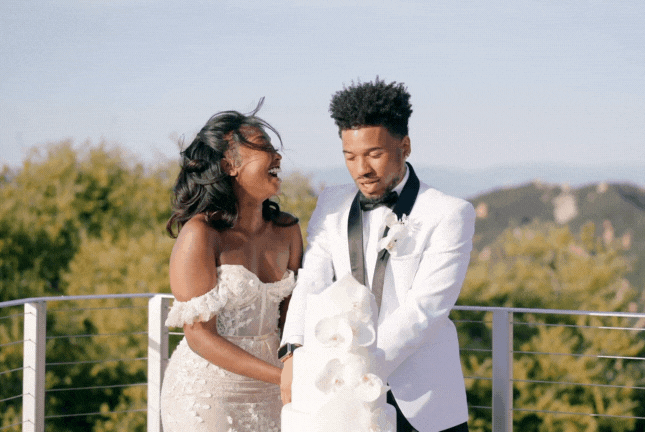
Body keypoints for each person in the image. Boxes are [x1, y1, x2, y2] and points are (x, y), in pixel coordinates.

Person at [279, 79, 474, 432]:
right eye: (350, 156)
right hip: (337, 393)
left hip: (423, 403)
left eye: (374, 154)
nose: (361, 169)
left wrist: (360, 365)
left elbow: (426, 309)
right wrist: (294, 350)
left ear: (406, 146)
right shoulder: (331, 202)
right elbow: (312, 281)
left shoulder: (450, 212)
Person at [160, 100, 303, 431]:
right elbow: (199, 337)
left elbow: (292, 318)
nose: (277, 157)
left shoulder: (288, 230)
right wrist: (283, 377)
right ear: (229, 165)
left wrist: (296, 372)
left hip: (276, 393)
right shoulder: (201, 235)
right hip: (207, 395)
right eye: (265, 148)